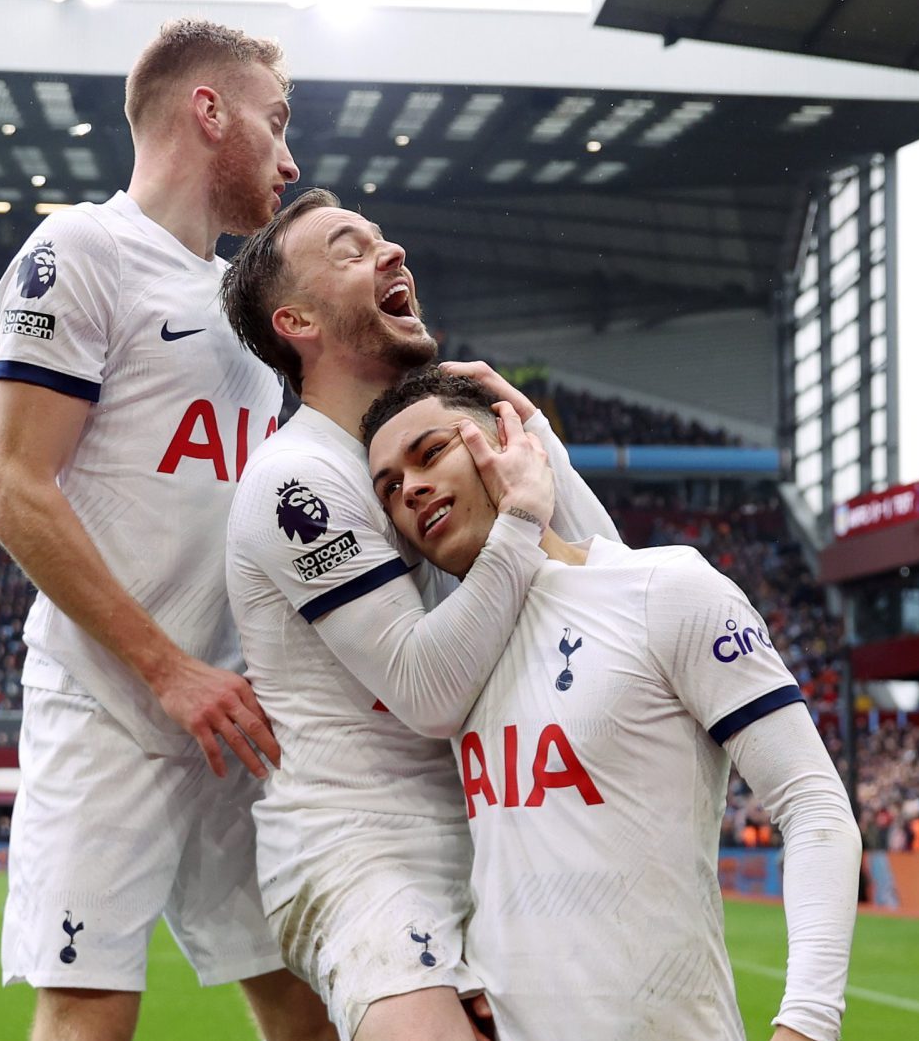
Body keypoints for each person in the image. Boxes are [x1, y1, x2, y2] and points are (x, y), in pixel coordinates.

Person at [0, 17, 326, 1040]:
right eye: (276, 122)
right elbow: (15, 492)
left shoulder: (245, 304)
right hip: (112, 704)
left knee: (310, 1007)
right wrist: (167, 669)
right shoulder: (82, 248)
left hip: (232, 715)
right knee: (90, 1015)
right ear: (208, 111)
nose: (290, 159)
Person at [218, 188, 619, 1039]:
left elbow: (608, 591)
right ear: (297, 321)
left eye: (382, 238)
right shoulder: (297, 480)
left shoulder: (421, 458)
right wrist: (519, 519)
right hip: (362, 855)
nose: (392, 251)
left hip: (492, 844)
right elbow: (426, 691)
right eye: (350, 249)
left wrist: (531, 433)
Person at [361, 370, 859, 1041]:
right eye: (389, 488)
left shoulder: (664, 589)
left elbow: (813, 804)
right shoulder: (450, 666)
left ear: (508, 441)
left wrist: (808, 1023)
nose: (411, 489)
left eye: (430, 453)